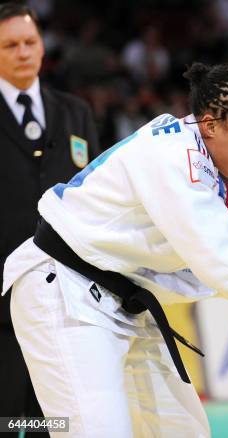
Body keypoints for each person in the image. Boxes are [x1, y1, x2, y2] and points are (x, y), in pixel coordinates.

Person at [2, 61, 228, 437]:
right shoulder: (174, 157)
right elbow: (216, 258)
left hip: (120, 301)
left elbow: (196, 250)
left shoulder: (194, 159)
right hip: (62, 293)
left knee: (183, 430)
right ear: (211, 125)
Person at [0, 3, 100, 431]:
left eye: (30, 42)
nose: (23, 52)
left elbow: (96, 198)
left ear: (42, 47)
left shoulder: (75, 112)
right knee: (6, 420)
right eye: (10, 45)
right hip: (2, 299)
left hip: (66, 298)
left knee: (55, 423)